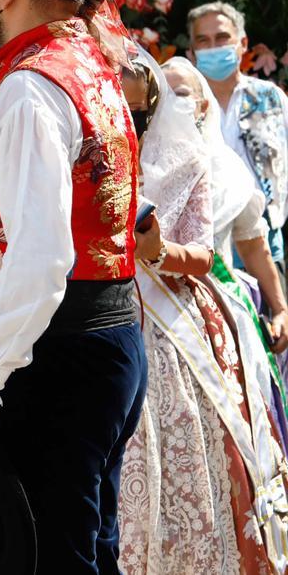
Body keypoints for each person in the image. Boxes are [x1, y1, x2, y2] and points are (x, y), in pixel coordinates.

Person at [0, 0, 146, 573]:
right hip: (104, 342)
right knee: (86, 545)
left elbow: (42, 253)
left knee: (50, 557)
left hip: (55, 361)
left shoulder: (32, 87)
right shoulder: (86, 66)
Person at [116, 51, 288, 574]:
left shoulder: (210, 166)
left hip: (193, 310)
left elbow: (243, 250)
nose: (174, 102)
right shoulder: (105, 157)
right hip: (111, 313)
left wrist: (279, 307)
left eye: (184, 91)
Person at [188, 1, 288, 269]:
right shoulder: (180, 106)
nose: (214, 47)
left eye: (222, 38)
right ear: (192, 53)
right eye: (203, 40)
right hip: (205, 244)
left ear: (242, 43)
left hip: (266, 239)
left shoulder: (271, 98)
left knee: (275, 310)